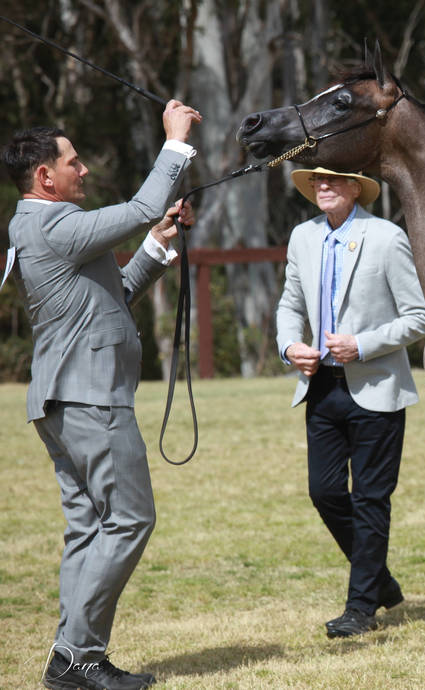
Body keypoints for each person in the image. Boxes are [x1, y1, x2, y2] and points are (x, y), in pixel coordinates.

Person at [2, 99, 201, 690]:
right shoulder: (52, 224)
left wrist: (158, 244)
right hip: (90, 401)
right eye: (74, 162)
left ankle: (76, 659)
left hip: (64, 401)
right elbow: (141, 206)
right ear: (46, 176)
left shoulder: (41, 228)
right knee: (131, 520)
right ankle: (76, 656)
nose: (84, 169)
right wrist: (176, 141)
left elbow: (114, 296)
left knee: (89, 531)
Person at [276, 166, 425, 638]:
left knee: (370, 499)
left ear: (356, 188)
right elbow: (289, 305)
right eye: (316, 180)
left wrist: (362, 345)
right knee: (323, 492)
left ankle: (361, 607)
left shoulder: (387, 237)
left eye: (333, 179)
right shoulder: (302, 237)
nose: (322, 186)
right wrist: (289, 346)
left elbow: (418, 316)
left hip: (378, 389)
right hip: (321, 387)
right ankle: (379, 580)